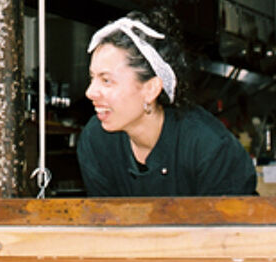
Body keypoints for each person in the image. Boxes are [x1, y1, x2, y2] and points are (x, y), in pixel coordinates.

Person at [76, 10, 257, 197]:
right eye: (92, 78)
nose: (90, 92)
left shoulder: (209, 147)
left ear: (151, 89)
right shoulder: (96, 140)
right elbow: (104, 222)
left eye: (106, 80)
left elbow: (231, 224)